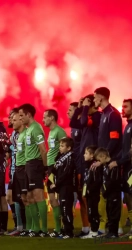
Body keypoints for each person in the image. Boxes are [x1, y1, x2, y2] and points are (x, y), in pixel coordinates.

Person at [93, 87, 123, 235]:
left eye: (95, 98)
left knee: (113, 197)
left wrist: (104, 159)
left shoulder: (113, 114)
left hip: (112, 162)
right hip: (105, 161)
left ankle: (115, 229)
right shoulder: (104, 114)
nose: (94, 100)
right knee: (107, 196)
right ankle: (111, 229)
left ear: (101, 97)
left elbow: (115, 139)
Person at [69, 95, 101, 236]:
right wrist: (80, 108)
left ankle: (100, 227)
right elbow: (74, 124)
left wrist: (85, 108)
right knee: (84, 195)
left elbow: (81, 123)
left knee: (94, 196)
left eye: (88, 104)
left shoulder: (97, 117)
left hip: (94, 160)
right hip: (84, 161)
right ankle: (88, 228)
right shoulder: (86, 117)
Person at [18, 104, 48, 237]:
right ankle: (35, 229)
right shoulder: (29, 129)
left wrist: (45, 167)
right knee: (30, 197)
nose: (20, 118)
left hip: (35, 164)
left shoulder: (36, 128)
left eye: (21, 115)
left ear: (28, 114)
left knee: (38, 196)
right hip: (28, 165)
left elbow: (43, 149)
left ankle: (44, 229)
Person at [109, 98, 132, 236]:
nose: (123, 109)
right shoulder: (128, 125)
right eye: (122, 106)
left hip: (130, 166)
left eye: (126, 106)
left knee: (130, 195)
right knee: (128, 197)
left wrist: (118, 162)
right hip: (127, 166)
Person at [42, 109, 67, 238]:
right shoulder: (51, 132)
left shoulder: (59, 131)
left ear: (52, 118)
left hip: (57, 168)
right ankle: (58, 228)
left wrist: (58, 165)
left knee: (58, 197)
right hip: (51, 168)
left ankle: (63, 227)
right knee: (52, 198)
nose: (43, 120)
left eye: (45, 117)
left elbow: (67, 149)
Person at [50, 137, 75, 239]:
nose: (60, 148)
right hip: (62, 187)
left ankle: (69, 232)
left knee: (66, 209)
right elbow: (57, 169)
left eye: (62, 146)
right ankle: (65, 231)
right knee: (63, 209)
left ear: (69, 148)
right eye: (60, 145)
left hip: (67, 187)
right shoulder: (62, 157)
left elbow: (66, 173)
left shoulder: (70, 158)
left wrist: (57, 183)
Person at [94, 148, 122, 238]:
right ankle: (110, 232)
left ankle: (114, 233)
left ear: (104, 156)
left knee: (114, 213)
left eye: (99, 159)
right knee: (109, 213)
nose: (98, 161)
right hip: (108, 194)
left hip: (114, 193)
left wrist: (106, 190)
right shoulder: (105, 166)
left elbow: (113, 181)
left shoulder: (113, 165)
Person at [81, 145, 102, 239]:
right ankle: (92, 231)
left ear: (92, 155)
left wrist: (90, 189)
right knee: (90, 212)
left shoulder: (95, 166)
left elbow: (97, 181)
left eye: (86, 153)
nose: (83, 155)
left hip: (93, 194)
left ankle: (94, 231)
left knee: (93, 212)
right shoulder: (87, 165)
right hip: (89, 193)